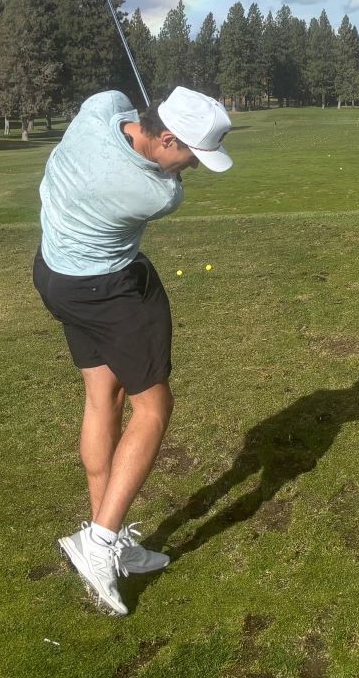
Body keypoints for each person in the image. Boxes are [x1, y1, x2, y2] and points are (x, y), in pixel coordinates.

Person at [32, 85, 232, 615]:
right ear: (167, 137)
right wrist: (163, 157)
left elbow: (114, 100)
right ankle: (98, 545)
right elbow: (164, 177)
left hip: (55, 276)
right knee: (154, 406)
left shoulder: (98, 110)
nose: (188, 167)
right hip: (109, 290)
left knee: (105, 398)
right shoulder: (159, 194)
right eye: (189, 154)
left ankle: (106, 534)